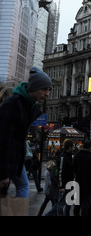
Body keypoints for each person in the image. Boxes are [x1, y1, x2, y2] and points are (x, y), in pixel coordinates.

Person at [0, 67, 52, 208]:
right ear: (34, 87)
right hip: (7, 158)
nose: (47, 94)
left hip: (16, 159)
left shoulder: (29, 106)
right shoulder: (13, 105)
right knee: (19, 186)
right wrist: (4, 173)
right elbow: (3, 140)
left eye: (49, 90)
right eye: (44, 89)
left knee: (23, 185)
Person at [45, 138, 75, 216]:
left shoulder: (69, 156)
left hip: (70, 183)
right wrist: (61, 186)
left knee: (69, 202)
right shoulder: (63, 157)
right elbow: (61, 172)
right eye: (73, 147)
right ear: (69, 147)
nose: (74, 148)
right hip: (65, 184)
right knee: (61, 203)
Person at [73, 140, 91, 216]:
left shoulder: (77, 156)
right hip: (89, 184)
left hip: (78, 182)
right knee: (86, 202)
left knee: (77, 203)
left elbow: (74, 168)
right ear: (90, 147)